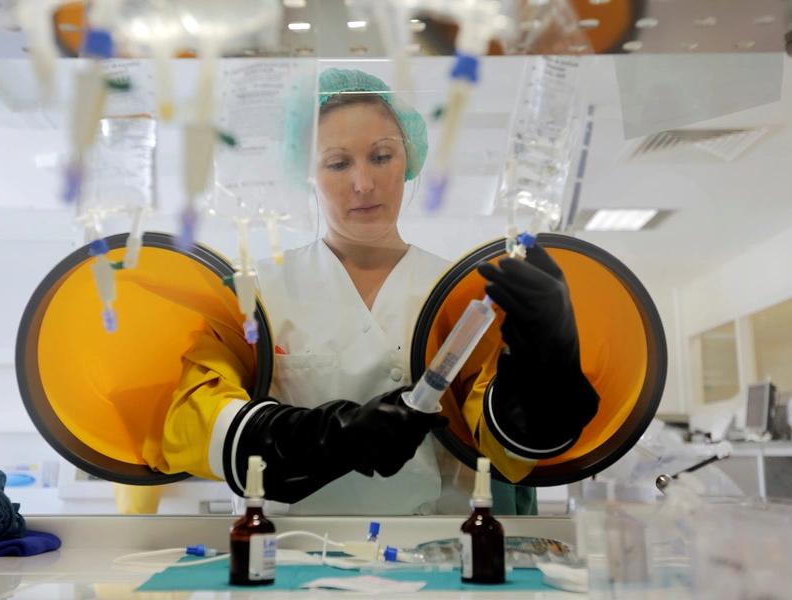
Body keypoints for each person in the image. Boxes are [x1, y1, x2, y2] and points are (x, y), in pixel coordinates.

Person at [158, 68, 599, 516]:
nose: (363, 183)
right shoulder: (257, 293)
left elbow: (508, 450)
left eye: (381, 156)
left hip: (436, 558)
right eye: (338, 163)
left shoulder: (460, 293)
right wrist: (337, 435)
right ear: (306, 173)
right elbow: (192, 422)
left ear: (408, 160)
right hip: (292, 561)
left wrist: (549, 365)